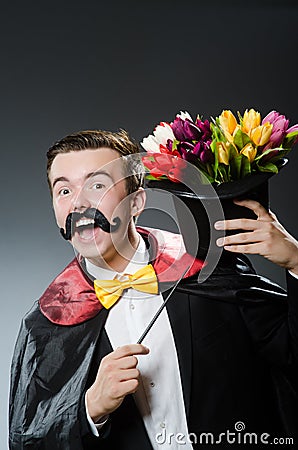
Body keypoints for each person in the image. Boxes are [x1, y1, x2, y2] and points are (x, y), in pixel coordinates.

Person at [9, 129, 298, 450]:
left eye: (98, 185)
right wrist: (90, 408)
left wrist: (296, 262)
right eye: (63, 190)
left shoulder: (208, 271)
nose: (79, 202)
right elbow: (29, 439)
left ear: (137, 202)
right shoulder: (48, 322)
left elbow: (291, 357)